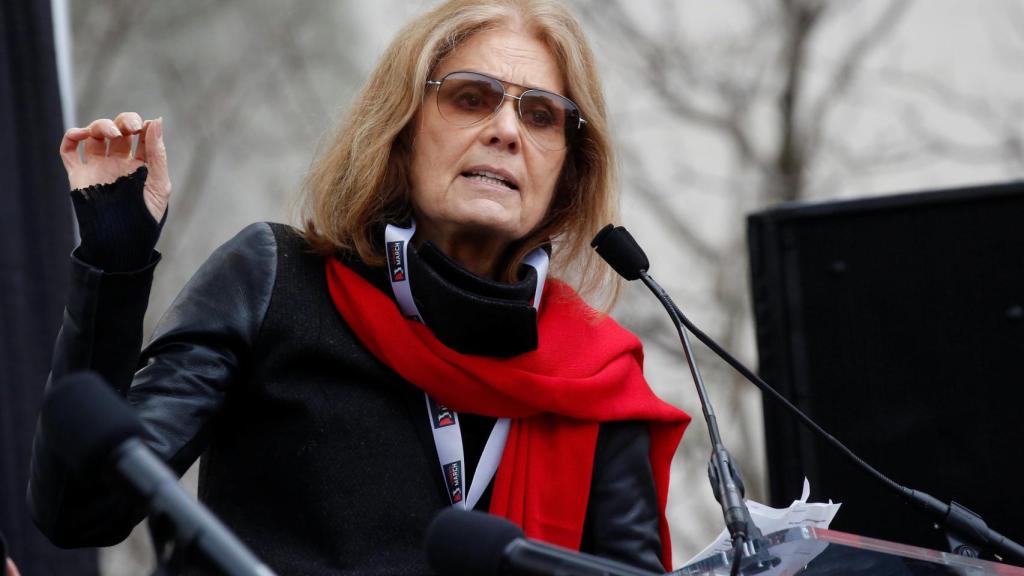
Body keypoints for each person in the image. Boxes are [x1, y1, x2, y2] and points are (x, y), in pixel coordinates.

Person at [29, 0, 690, 574]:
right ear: (399, 134)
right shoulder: (273, 280)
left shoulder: (596, 376)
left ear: (567, 176)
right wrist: (114, 267)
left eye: (542, 115)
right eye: (470, 97)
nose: (507, 131)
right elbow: (80, 511)